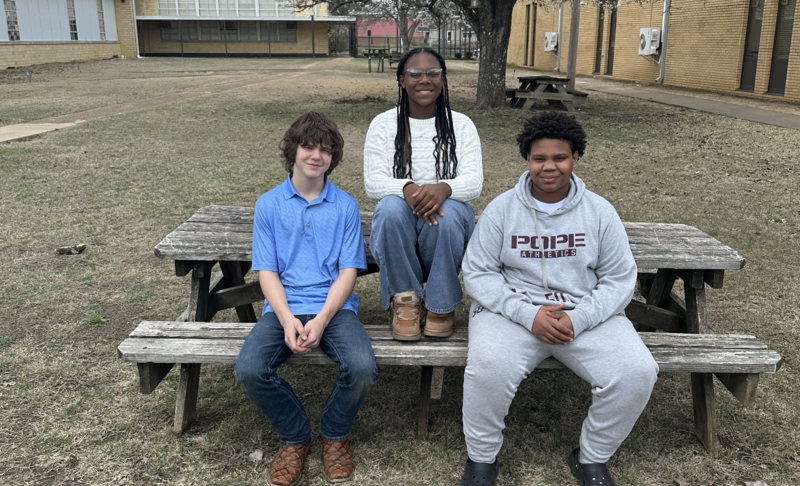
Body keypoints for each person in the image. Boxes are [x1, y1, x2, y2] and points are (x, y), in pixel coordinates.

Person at [458, 112, 659, 486]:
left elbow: (619, 279)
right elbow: (479, 273)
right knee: (487, 367)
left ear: (576, 158)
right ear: (527, 160)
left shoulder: (600, 212)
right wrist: (527, 313)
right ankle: (481, 461)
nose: (549, 167)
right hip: (512, 313)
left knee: (637, 371)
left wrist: (578, 318)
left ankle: (592, 458)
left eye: (559, 158)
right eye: (539, 158)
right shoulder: (502, 210)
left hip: (584, 314)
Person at [234, 112, 377, 486]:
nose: (316, 156)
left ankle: (334, 436)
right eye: (308, 147)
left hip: (334, 307)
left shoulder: (345, 206)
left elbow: (348, 273)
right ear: (292, 151)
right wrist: (286, 319)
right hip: (283, 307)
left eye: (326, 150)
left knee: (361, 367)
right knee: (249, 370)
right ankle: (296, 437)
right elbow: (267, 271)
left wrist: (322, 320)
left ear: (334, 157)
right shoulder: (268, 204)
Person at [364, 47, 483, 341]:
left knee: (449, 213)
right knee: (390, 208)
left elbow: (474, 182)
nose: (424, 80)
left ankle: (441, 306)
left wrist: (444, 188)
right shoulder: (383, 124)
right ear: (402, 80)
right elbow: (373, 183)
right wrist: (407, 188)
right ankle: (405, 302)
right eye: (415, 74)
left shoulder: (462, 125)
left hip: (447, 223)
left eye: (433, 73)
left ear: (442, 79)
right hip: (401, 222)